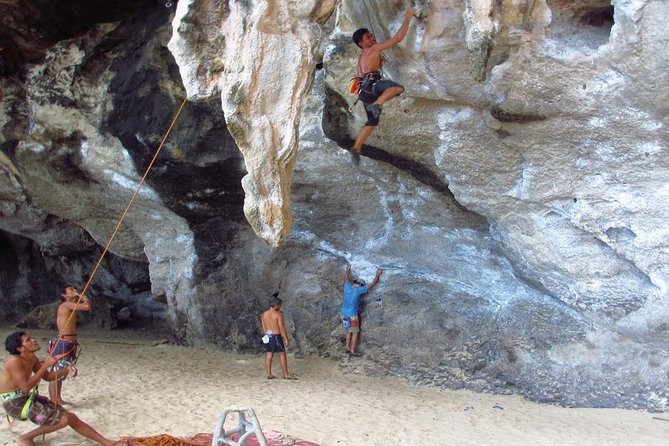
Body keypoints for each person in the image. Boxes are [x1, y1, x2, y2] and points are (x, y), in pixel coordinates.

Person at [0, 331, 118, 446]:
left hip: (26, 399)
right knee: (62, 420)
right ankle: (26, 438)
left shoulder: (32, 358)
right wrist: (46, 365)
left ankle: (107, 442)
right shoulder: (14, 362)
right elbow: (26, 387)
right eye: (28, 340)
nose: (34, 340)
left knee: (70, 417)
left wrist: (66, 369)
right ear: (20, 348)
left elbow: (47, 377)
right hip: (15, 404)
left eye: (32, 337)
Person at [350, 7, 415, 165]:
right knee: (397, 88)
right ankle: (377, 105)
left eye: (371, 35)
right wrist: (407, 18)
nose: (372, 38)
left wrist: (379, 61)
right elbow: (397, 39)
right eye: (368, 37)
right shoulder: (373, 49)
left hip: (364, 91)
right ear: (362, 43)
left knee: (372, 122)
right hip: (373, 84)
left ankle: (356, 147)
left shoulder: (361, 58)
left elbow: (364, 72)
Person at [49, 286, 91, 405]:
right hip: (64, 342)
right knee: (57, 371)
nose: (74, 291)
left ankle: (58, 398)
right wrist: (83, 296)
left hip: (68, 342)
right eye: (71, 290)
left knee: (61, 372)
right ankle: (54, 400)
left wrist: (79, 296)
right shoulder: (66, 305)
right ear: (64, 295)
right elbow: (87, 306)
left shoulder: (70, 306)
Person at [340, 265, 383, 356]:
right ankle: (352, 351)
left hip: (343, 314)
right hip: (352, 315)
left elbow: (346, 278)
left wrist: (348, 269)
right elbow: (372, 285)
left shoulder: (347, 287)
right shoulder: (358, 290)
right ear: (360, 285)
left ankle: (347, 347)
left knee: (348, 331)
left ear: (354, 282)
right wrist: (377, 274)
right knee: (355, 332)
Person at [260, 293, 297, 380]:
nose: (280, 307)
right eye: (280, 305)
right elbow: (281, 328)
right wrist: (285, 338)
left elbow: (264, 328)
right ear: (276, 305)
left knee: (269, 355)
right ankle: (286, 374)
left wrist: (267, 336)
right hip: (276, 336)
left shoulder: (264, 315)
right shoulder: (278, 314)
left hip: (267, 336)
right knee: (282, 354)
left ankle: (269, 374)